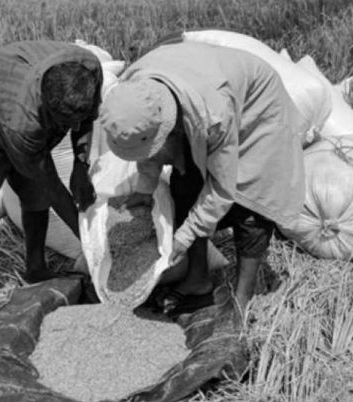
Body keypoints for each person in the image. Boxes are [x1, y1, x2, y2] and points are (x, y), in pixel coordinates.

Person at [98, 41, 307, 316]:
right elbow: (147, 146)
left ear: (168, 128)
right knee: (184, 185)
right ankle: (198, 280)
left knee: (251, 204)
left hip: (257, 109)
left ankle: (242, 297)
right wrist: (144, 190)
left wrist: (185, 235)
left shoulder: (213, 116)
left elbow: (222, 188)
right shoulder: (134, 90)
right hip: (201, 86)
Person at [0, 41, 101, 327]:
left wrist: (80, 165)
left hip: (7, 101)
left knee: (34, 196)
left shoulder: (87, 69)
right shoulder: (22, 123)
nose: (74, 129)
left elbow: (86, 121)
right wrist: (91, 241)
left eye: (76, 120)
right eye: (66, 122)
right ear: (45, 106)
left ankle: (36, 269)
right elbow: (53, 188)